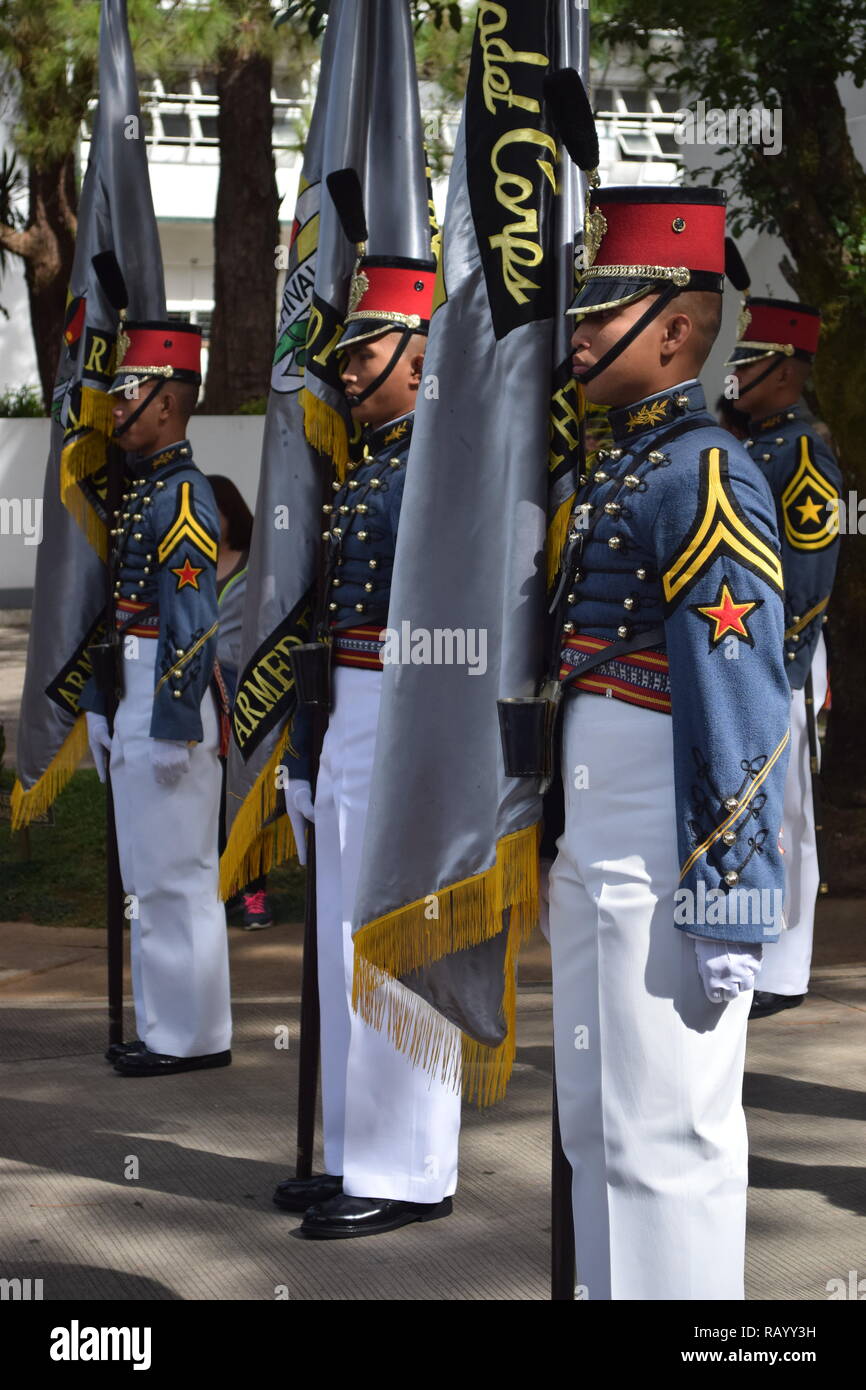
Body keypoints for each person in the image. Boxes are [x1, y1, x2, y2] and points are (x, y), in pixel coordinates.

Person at [547, 186, 790, 1298]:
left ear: (677, 329)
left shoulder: (700, 469)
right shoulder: (617, 465)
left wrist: (732, 893)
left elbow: (736, 697)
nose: (580, 332)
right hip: (598, 838)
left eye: (603, 311)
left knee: (669, 1139)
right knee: (598, 1131)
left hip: (666, 835)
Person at [272, 178, 462, 1239]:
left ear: (421, 357)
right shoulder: (368, 468)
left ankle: (407, 1167)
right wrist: (308, 744)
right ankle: (353, 1149)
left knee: (393, 941)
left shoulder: (440, 470)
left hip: (403, 718)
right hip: (348, 710)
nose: (345, 368)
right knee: (348, 938)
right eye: (346, 353)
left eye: (367, 351)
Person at [81, 322, 232, 1077]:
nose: (115, 407)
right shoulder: (144, 488)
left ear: (168, 404)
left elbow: (192, 619)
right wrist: (100, 701)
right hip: (134, 689)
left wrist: (173, 720)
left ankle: (193, 1036)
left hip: (167, 700)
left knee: (178, 875)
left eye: (129, 392)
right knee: (150, 873)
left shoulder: (181, 497)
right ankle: (166, 1026)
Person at [727, 298, 841, 1018]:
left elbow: (808, 572)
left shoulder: (800, 452)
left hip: (784, 646)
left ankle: (785, 968)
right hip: (746, 644)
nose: (736, 372)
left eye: (750, 360)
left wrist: (782, 662)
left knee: (788, 810)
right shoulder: (748, 440)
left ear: (788, 369)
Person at [209, 474, 273, 931]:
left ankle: (254, 895)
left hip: (242, 693)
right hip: (194, 697)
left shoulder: (256, 566)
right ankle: (216, 889)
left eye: (217, 512)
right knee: (204, 797)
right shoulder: (180, 563)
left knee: (245, 793)